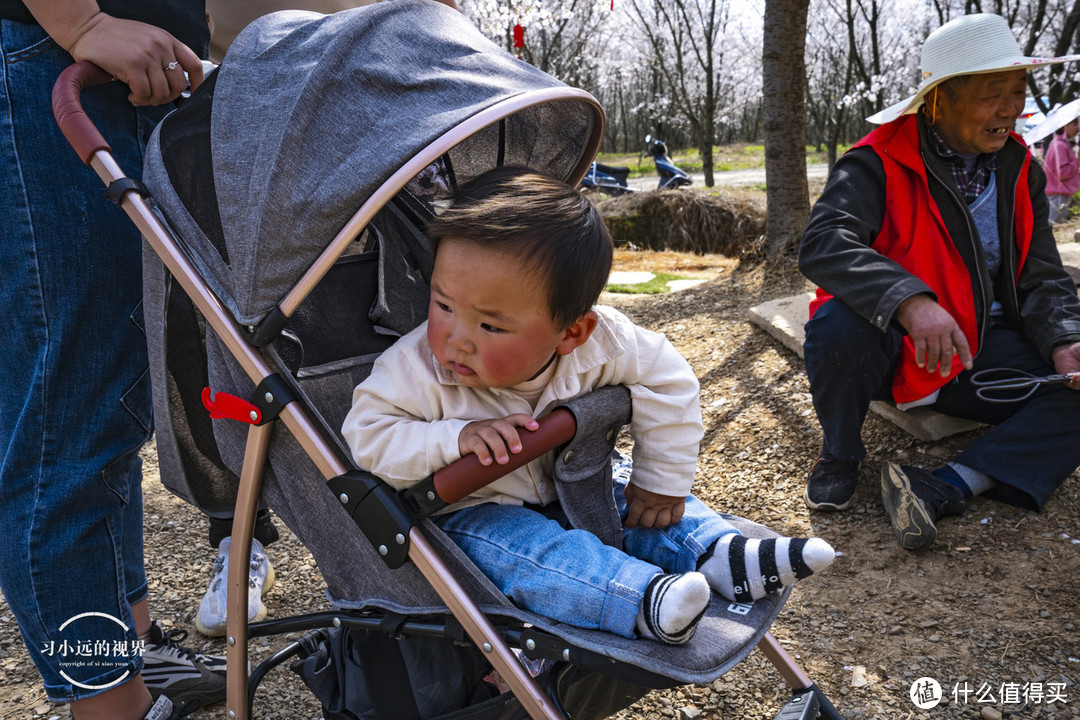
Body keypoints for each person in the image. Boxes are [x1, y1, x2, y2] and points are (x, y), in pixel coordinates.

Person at [342, 167, 834, 646]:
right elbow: (367, 435)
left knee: (637, 502)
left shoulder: (608, 344)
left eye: (490, 326)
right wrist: (453, 438)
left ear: (571, 332)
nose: (456, 339)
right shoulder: (414, 368)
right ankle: (639, 599)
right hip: (478, 508)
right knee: (534, 556)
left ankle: (721, 553)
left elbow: (669, 379)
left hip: (577, 479)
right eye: (443, 305)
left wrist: (660, 481)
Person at [0, 2, 227, 719]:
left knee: (111, 405)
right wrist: (81, 22)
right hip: (64, 62)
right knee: (65, 439)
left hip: (122, 75)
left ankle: (137, 647)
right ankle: (107, 704)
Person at [798, 13, 1080, 551]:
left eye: (1017, 91)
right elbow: (824, 243)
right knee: (837, 324)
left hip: (977, 351)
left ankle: (944, 485)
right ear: (938, 100)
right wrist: (908, 300)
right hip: (890, 348)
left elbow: (1041, 275)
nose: (1010, 109)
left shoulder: (1021, 167)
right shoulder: (875, 161)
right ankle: (839, 451)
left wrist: (1065, 339)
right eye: (991, 94)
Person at [1043, 117, 1079, 223]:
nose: (1078, 127)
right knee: (1053, 225)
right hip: (1058, 195)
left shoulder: (1062, 144)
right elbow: (1061, 173)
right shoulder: (1059, 146)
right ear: (1064, 126)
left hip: (1061, 194)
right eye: (1074, 124)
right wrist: (1076, 161)